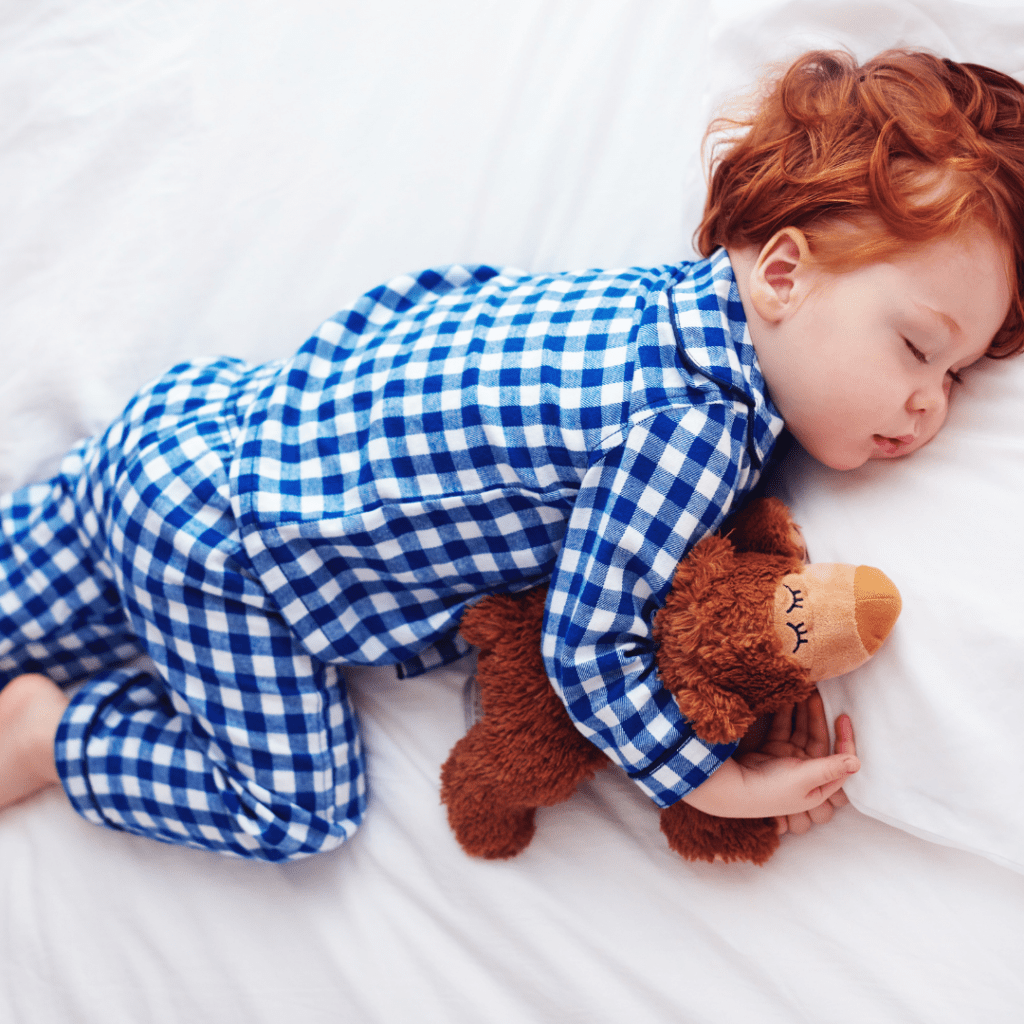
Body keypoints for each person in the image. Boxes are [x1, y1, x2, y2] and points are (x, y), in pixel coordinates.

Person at [0, 49, 1021, 862]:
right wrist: (708, 779)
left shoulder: (636, 300)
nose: (927, 405)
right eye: (917, 348)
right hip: (230, 565)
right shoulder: (691, 426)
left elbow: (432, 295)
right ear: (786, 274)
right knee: (295, 810)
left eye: (958, 379)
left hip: (191, 427)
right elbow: (587, 644)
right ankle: (56, 737)